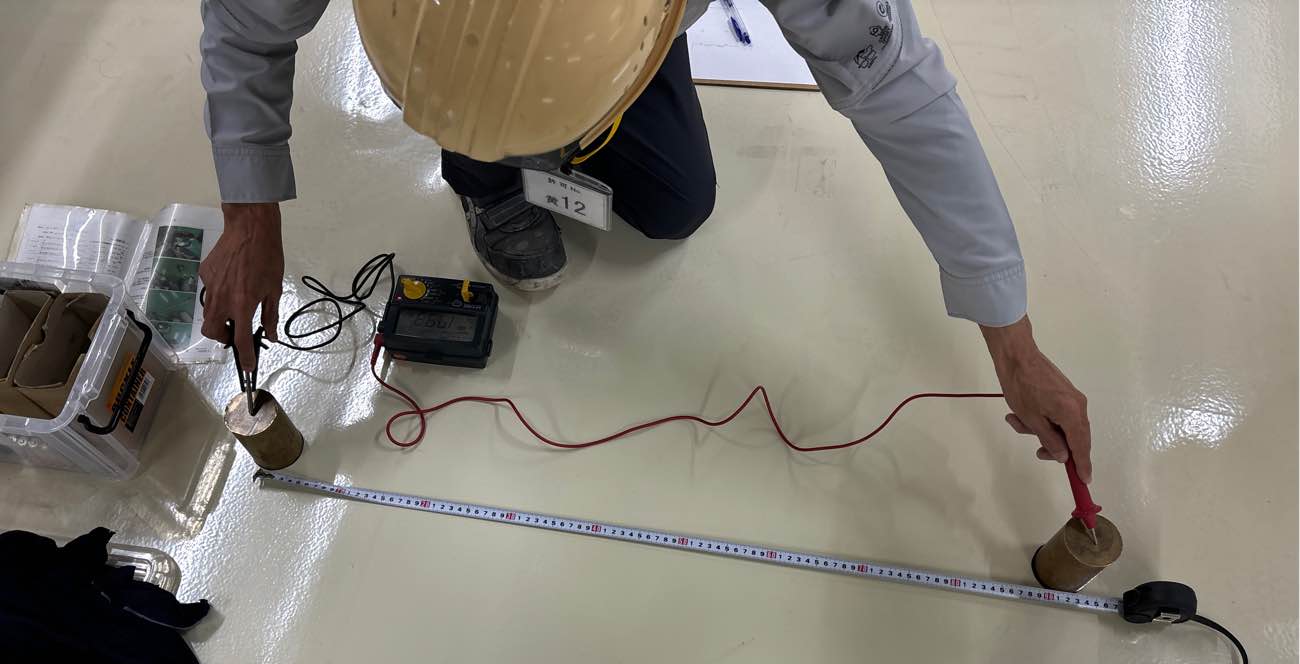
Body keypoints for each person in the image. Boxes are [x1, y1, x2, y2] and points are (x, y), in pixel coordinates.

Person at [197, 0, 1092, 480]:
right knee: (495, 138)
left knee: (677, 203)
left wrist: (1012, 343)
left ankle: (571, 97)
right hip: (493, 50)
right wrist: (250, 216)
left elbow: (896, 87)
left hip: (605, 38)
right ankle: (483, 171)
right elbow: (242, 25)